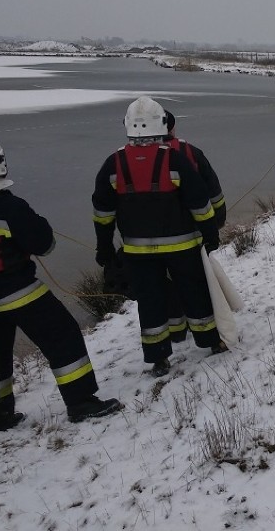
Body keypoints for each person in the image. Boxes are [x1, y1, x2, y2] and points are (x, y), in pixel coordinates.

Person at [92, 97, 226, 378]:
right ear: (162, 124)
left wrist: (104, 247)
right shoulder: (174, 158)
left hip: (138, 253)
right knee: (194, 293)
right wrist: (211, 234)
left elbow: (103, 212)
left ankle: (158, 359)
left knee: (151, 302)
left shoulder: (113, 163)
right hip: (183, 247)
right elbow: (199, 202)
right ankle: (211, 342)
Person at [0, 142, 121, 429]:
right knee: (63, 337)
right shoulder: (10, 207)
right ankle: (81, 402)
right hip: (19, 292)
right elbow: (45, 244)